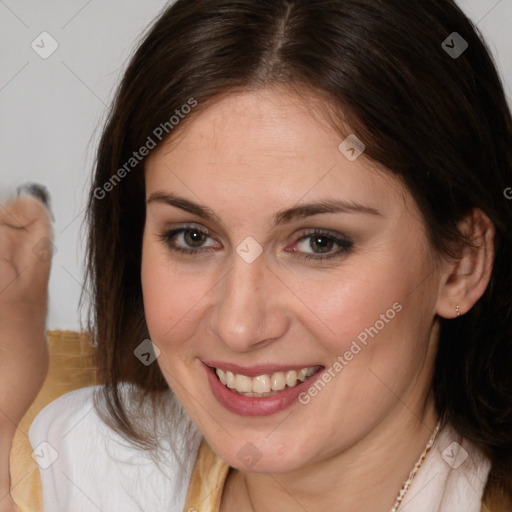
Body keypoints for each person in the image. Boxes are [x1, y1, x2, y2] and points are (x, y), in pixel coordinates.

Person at [2, 0, 512, 510]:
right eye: (193, 237)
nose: (239, 326)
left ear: (462, 265)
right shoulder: (60, 465)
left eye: (319, 243)